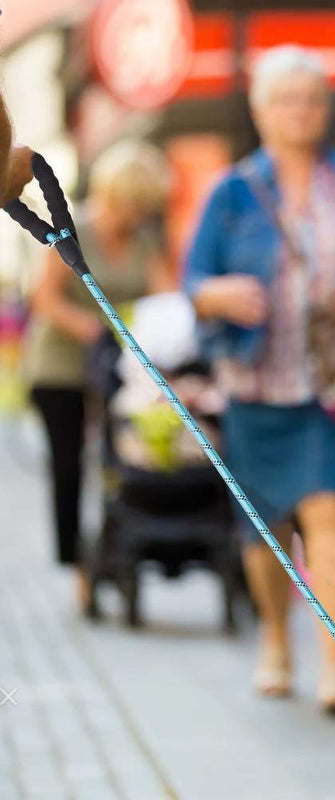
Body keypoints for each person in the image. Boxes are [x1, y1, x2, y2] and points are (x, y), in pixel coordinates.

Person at [184, 46, 335, 714]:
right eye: (286, 98)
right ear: (260, 109)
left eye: (313, 98)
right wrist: (216, 296)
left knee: (332, 511)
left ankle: (334, 668)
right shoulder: (231, 190)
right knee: (267, 533)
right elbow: (192, 281)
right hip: (256, 384)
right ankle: (274, 639)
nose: (302, 111)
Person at [25, 140, 173, 609]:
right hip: (61, 365)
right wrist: (95, 329)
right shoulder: (72, 230)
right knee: (69, 465)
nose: (137, 216)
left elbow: (165, 295)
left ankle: (116, 548)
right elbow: (43, 298)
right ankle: (75, 563)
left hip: (119, 368)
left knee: (120, 461)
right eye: (133, 205)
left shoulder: (145, 241)